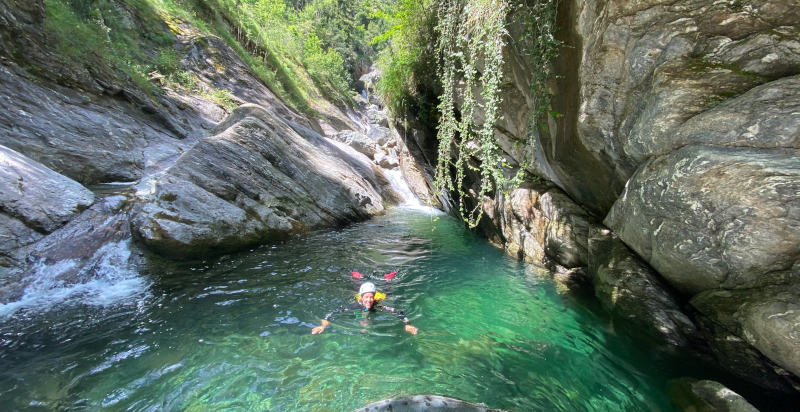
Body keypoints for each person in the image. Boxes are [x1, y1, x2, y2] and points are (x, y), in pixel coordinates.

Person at [311, 282, 418, 335]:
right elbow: (332, 313)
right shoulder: (356, 306)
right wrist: (322, 325)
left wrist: (408, 325)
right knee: (363, 316)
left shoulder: (377, 304)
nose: (369, 300)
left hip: (378, 300)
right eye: (366, 297)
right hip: (361, 308)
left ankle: (388, 280)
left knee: (386, 294)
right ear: (362, 297)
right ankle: (356, 279)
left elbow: (399, 313)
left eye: (371, 297)